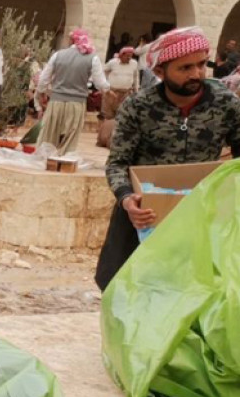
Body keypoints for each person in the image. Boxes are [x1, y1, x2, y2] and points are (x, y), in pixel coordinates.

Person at [94, 27, 240, 290]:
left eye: (200, 65)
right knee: (122, 287)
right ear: (160, 72)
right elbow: (117, 163)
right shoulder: (138, 106)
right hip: (142, 216)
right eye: (184, 68)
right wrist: (127, 199)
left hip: (197, 215)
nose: (196, 74)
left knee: (190, 291)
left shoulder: (226, 103)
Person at [37, 29, 111, 154]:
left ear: (71, 40)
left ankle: (47, 159)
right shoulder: (93, 58)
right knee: (70, 137)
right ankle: (64, 161)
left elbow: (43, 79)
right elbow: (101, 84)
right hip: (77, 103)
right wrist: (108, 89)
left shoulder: (58, 55)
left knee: (50, 134)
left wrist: (41, 94)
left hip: (56, 102)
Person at [102, 47, 140, 119]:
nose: (129, 58)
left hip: (126, 94)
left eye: (130, 56)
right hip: (112, 93)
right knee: (107, 115)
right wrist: (105, 85)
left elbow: (136, 78)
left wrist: (136, 91)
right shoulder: (112, 62)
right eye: (127, 56)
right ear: (121, 55)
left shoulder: (134, 64)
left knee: (122, 115)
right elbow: (103, 71)